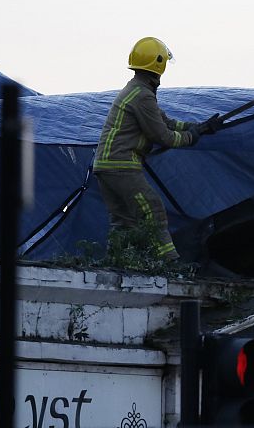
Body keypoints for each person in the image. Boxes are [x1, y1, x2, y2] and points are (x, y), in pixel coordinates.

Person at [93, 36, 221, 260]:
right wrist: (191, 137)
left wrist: (198, 127)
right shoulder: (142, 95)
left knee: (124, 222)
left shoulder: (136, 90)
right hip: (122, 165)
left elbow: (165, 122)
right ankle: (169, 264)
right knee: (153, 210)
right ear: (158, 64)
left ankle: (116, 262)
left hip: (105, 166)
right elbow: (163, 136)